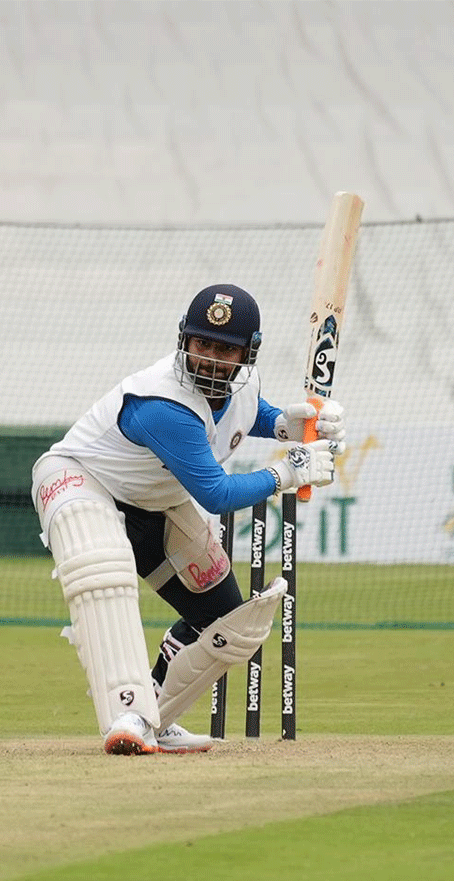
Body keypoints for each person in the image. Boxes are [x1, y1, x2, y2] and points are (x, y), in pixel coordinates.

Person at [31, 284, 345, 754]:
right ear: (184, 341)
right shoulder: (163, 406)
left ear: (247, 353)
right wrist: (286, 471)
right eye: (203, 344)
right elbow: (216, 494)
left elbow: (243, 413)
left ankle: (155, 715)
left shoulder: (240, 386)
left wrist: (285, 424)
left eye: (226, 349)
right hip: (81, 482)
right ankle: (127, 715)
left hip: (152, 501)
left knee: (226, 621)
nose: (212, 359)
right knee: (104, 573)